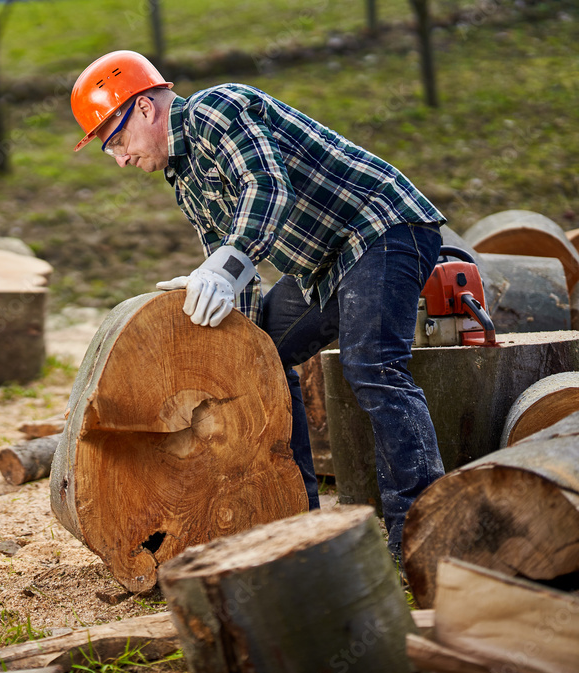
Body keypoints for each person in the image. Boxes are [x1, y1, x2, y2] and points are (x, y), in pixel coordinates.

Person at [70, 49, 446, 561]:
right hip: (326, 264)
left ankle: (423, 535)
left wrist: (226, 264)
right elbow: (231, 270)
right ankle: (297, 523)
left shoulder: (214, 111)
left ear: (144, 109)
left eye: (115, 141)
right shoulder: (184, 179)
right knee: (263, 356)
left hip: (382, 229)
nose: (119, 158)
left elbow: (266, 188)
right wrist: (228, 324)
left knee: (373, 366)